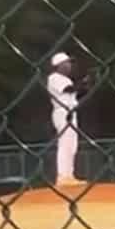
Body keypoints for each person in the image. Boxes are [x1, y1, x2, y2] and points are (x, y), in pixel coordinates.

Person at [46, 49, 84, 186]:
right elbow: (69, 90)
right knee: (65, 143)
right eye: (66, 63)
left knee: (72, 144)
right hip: (62, 113)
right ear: (59, 65)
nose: (69, 65)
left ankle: (69, 175)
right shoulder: (54, 77)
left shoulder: (66, 79)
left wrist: (87, 84)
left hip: (71, 111)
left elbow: (75, 92)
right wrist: (84, 82)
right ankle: (62, 176)